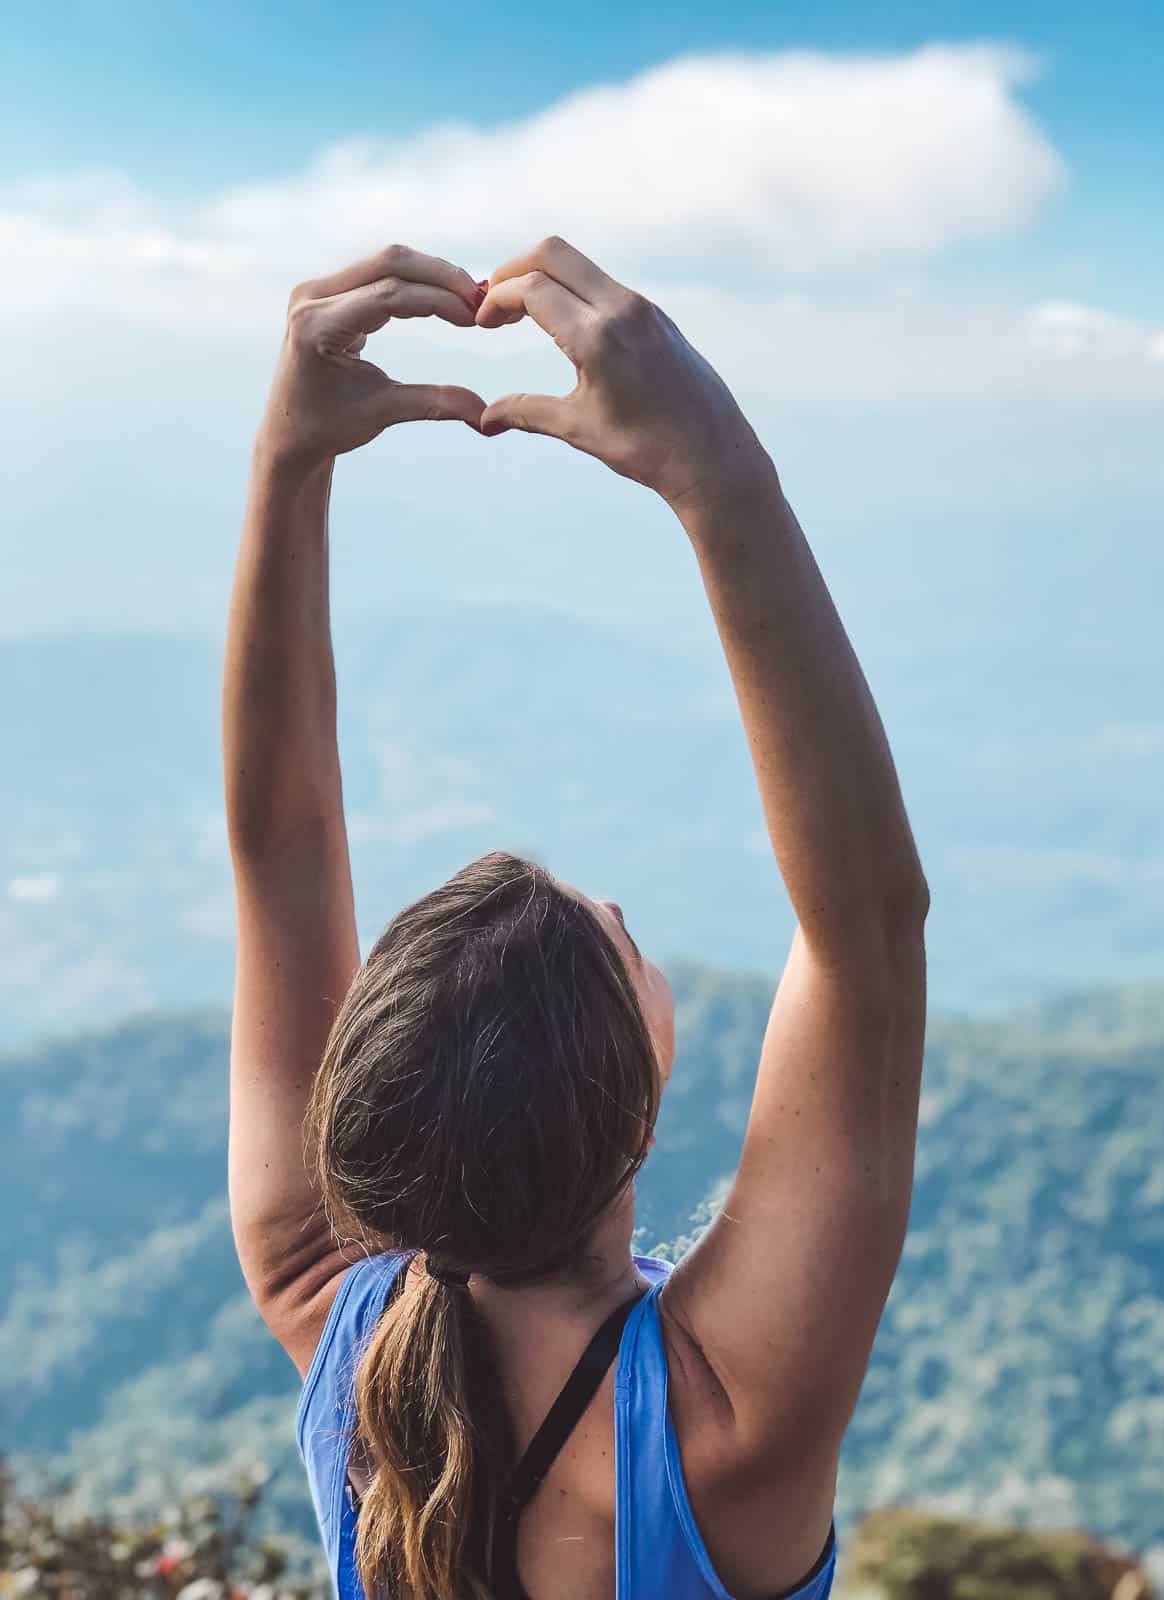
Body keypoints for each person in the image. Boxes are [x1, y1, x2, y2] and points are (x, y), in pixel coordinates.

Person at [222, 235, 929, 1600]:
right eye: (628, 953)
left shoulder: (337, 1316)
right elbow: (870, 925)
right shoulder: (718, 1434)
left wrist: (285, 461)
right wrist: (717, 471)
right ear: (642, 1114)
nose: (616, 913)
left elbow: (282, 856)